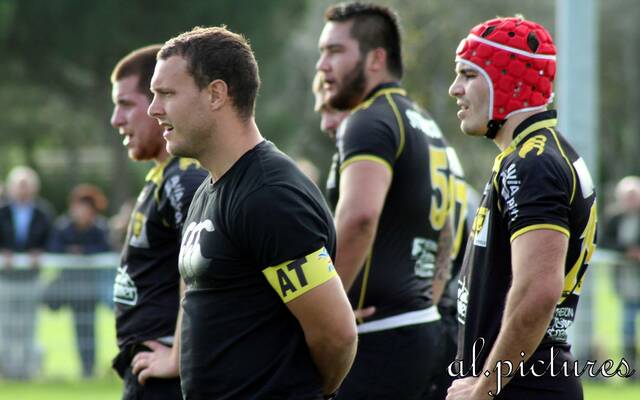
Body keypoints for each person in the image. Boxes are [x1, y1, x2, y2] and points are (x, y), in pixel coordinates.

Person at [147, 26, 357, 399]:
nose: (154, 109)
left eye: (166, 93)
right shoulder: (212, 187)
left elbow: (336, 334)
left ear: (216, 94)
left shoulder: (269, 196)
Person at [447, 16, 598, 399]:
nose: (455, 89)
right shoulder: (535, 155)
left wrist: (484, 390)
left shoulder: (533, 164)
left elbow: (537, 292)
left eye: (468, 74)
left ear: (506, 82)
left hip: (525, 386)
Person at [316, 3, 457, 398]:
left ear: (376, 58)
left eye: (335, 51)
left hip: (379, 334)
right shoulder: (422, 122)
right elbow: (446, 228)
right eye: (322, 52)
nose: (322, 65)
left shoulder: (369, 119)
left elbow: (359, 218)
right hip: (418, 325)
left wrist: (323, 309)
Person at [110, 44, 208, 399]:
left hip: (165, 374)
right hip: (147, 366)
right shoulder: (164, 175)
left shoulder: (184, 177)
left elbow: (196, 269)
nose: (116, 119)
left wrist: (179, 355)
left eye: (125, 104)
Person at [46, 184, 112, 378]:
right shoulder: (63, 227)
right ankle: (85, 368)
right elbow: (54, 248)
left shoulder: (99, 228)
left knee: (88, 328)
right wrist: (70, 253)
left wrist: (83, 253)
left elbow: (105, 248)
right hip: (69, 287)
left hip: (92, 288)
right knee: (79, 328)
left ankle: (89, 369)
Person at [0, 166, 54, 380]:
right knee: (5, 325)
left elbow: (51, 240)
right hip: (6, 279)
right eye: (19, 186)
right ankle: (7, 370)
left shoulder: (43, 213)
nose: (22, 190)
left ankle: (25, 371)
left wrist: (40, 253)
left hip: (31, 279)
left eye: (26, 186)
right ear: (11, 188)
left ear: (34, 189)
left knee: (28, 326)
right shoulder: (2, 212)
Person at [602, 176, 640, 372]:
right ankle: (630, 367)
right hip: (625, 283)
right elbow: (603, 241)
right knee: (627, 325)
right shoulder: (614, 218)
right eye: (628, 196)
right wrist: (626, 251)